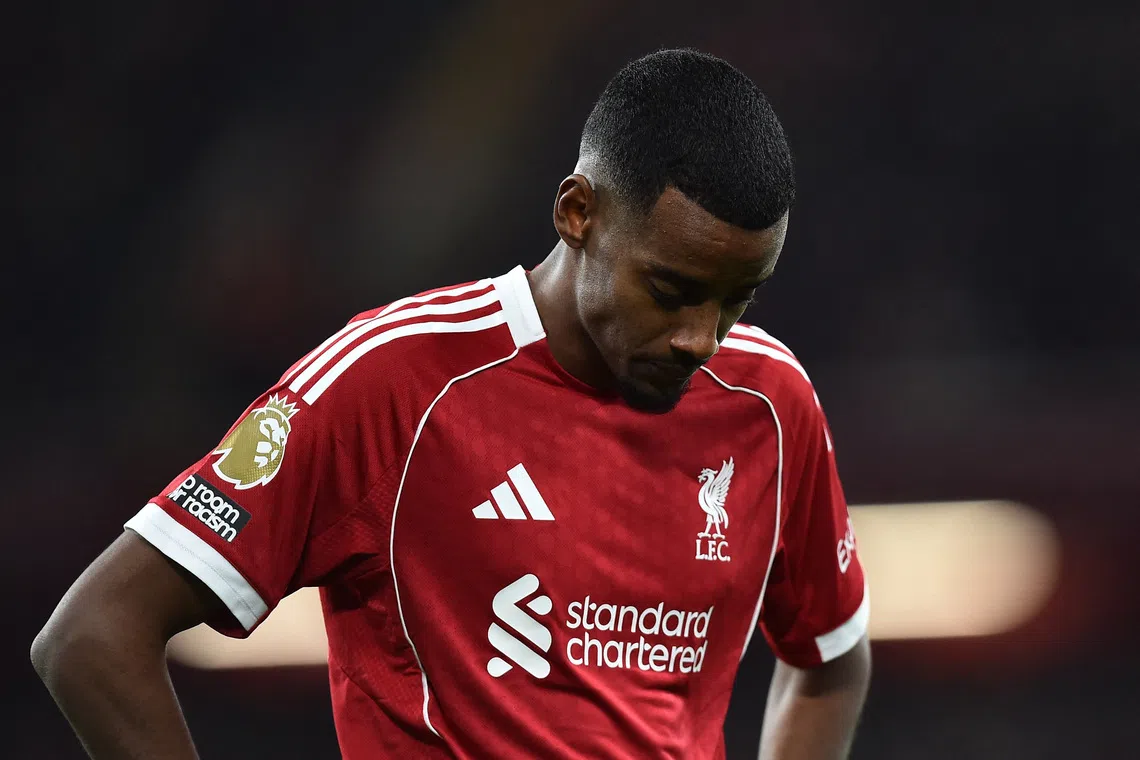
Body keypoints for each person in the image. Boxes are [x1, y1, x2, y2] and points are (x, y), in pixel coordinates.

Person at [32, 48, 870, 759]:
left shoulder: (769, 403)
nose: (701, 338)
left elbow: (831, 658)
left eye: (737, 300)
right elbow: (92, 636)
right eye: (672, 289)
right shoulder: (394, 382)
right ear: (578, 211)